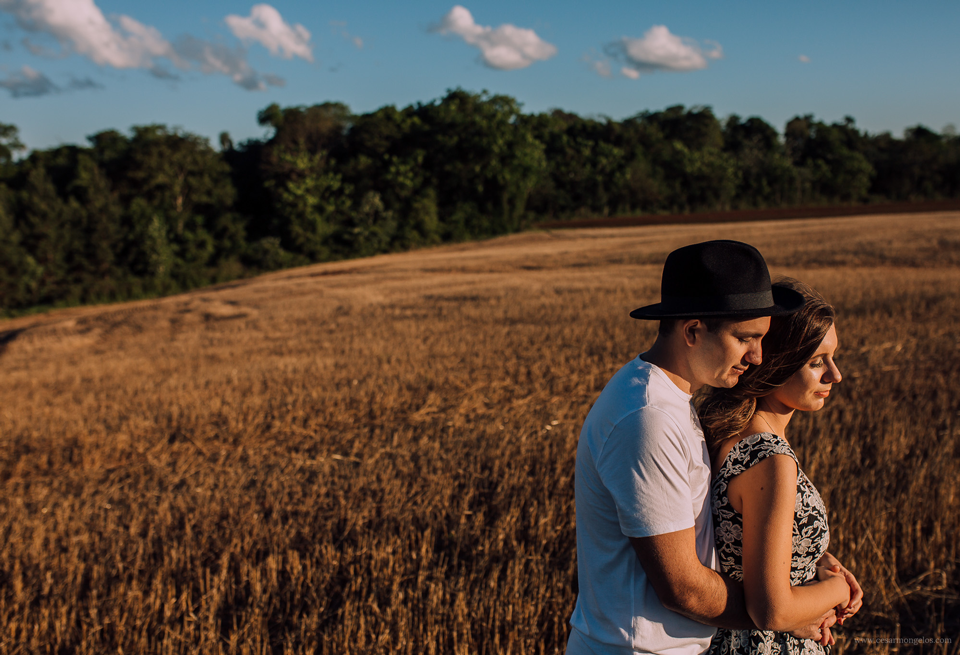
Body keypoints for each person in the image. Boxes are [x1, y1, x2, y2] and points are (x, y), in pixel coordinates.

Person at [567, 240, 842, 655]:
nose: (758, 356)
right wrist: (791, 613)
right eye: (746, 338)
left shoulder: (670, 401)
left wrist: (804, 572)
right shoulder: (649, 419)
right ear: (693, 331)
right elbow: (684, 589)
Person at [697, 279, 863, 655]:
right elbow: (771, 610)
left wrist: (820, 563)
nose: (835, 376)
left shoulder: (731, 433)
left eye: (834, 358)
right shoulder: (770, 460)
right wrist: (839, 589)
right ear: (776, 363)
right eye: (816, 362)